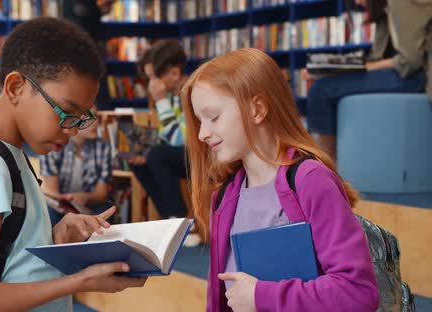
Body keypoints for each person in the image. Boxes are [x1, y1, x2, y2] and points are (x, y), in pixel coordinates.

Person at [0, 17, 145, 312]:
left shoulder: (10, 155)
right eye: (66, 112)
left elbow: (10, 263)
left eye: (82, 118)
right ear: (16, 87)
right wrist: (80, 281)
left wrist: (56, 237)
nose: (72, 130)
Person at [181, 48, 379, 312]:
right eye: (199, 121)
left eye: (214, 117)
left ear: (257, 109)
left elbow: (358, 292)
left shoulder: (311, 181)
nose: (203, 134)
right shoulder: (225, 196)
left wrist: (262, 296)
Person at [305, 0, 432, 159]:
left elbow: (411, 61)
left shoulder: (400, 3)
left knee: (320, 90)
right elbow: (376, 57)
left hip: (417, 76)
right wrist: (330, 70)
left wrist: (366, 68)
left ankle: (329, 165)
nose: (357, 2)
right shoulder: (385, 7)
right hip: (403, 73)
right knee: (323, 84)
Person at [131, 39, 189, 220]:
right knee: (139, 161)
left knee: (157, 155)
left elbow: (180, 141)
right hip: (183, 155)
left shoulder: (192, 92)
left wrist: (161, 101)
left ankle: (181, 220)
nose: (151, 85)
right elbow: (167, 135)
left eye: (155, 78)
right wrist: (144, 149)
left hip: (203, 156)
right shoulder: (171, 96)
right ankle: (169, 218)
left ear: (174, 73)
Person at [39, 106, 114, 226]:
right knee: (50, 211)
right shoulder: (54, 147)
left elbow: (102, 194)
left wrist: (84, 197)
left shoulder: (103, 147)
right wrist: (69, 201)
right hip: (64, 204)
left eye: (96, 116)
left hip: (91, 204)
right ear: (71, 120)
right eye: (87, 117)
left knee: (105, 209)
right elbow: (52, 191)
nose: (95, 122)